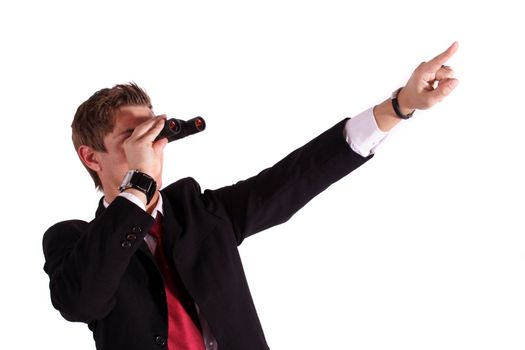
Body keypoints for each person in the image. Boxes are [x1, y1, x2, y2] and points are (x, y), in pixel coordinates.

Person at [42, 42, 459, 350]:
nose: (150, 147)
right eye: (132, 138)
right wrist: (139, 184)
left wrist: (400, 105)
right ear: (91, 157)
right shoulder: (73, 241)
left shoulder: (201, 214)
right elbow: (81, 302)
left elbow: (297, 178)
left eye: (154, 133)